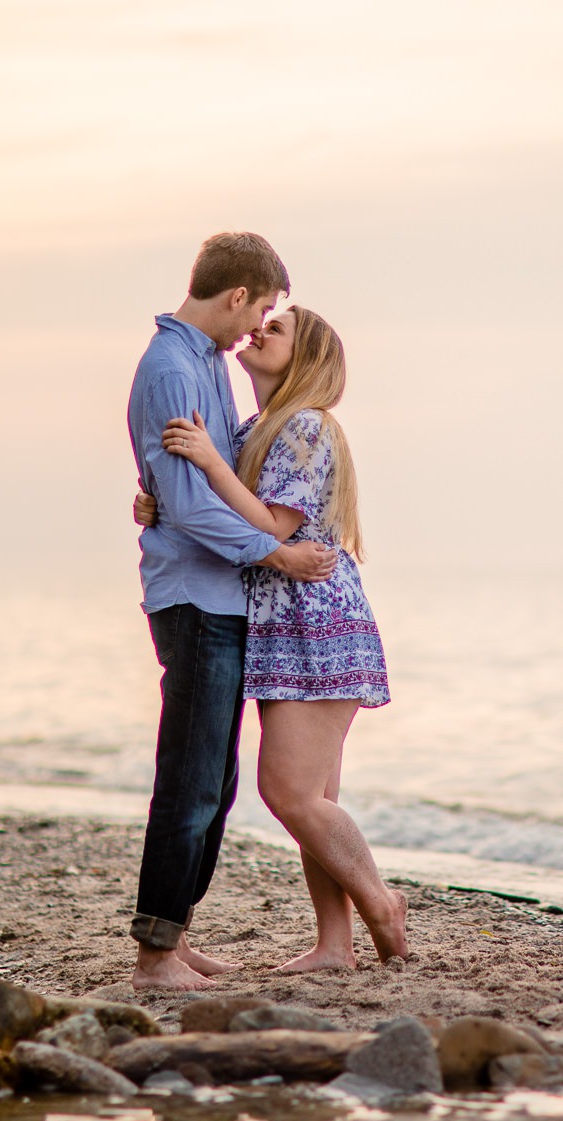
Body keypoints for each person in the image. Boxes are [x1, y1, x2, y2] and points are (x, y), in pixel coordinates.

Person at [135, 305, 408, 970]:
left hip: (315, 625)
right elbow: (227, 513)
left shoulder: (306, 428)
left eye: (275, 329)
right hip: (285, 627)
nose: (259, 331)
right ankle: (335, 945)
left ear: (305, 358)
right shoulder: (263, 428)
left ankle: (380, 900)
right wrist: (161, 504)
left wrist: (207, 459)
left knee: (289, 794)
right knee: (315, 797)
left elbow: (274, 525)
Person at [125, 232, 339, 991]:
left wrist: (157, 501)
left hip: (221, 595)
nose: (258, 327)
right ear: (238, 294)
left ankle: (174, 937)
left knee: (214, 781)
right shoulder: (172, 367)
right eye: (265, 310)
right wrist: (277, 554)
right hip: (194, 594)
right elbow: (188, 505)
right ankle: (155, 953)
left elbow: (208, 483)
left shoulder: (207, 365)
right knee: (189, 776)